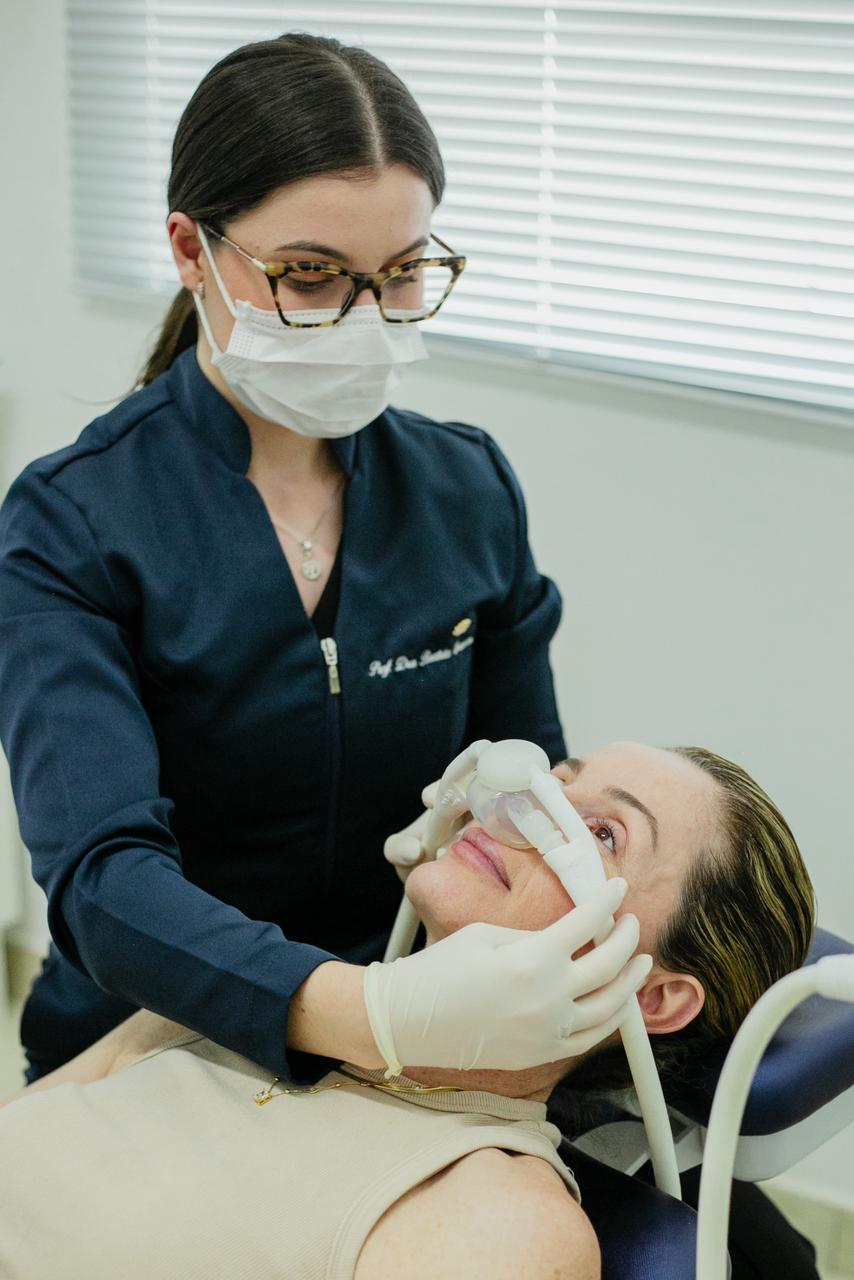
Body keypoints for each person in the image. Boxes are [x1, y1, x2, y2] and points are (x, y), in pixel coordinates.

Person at [0, 33, 640, 1091]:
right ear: (190, 250)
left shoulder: (465, 490)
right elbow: (103, 883)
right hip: (153, 1043)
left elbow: (524, 799)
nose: (361, 317)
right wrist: (370, 1014)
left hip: (426, 1019)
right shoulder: (74, 523)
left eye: (399, 275)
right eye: (307, 276)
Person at [0, 742, 815, 1280]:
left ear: (651, 994)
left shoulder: (497, 1221)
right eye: (554, 778)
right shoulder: (246, 995)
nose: (513, 807)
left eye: (600, 832)